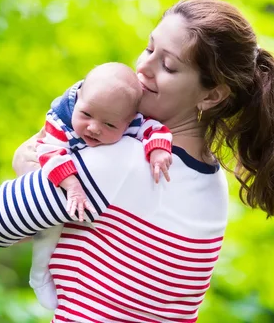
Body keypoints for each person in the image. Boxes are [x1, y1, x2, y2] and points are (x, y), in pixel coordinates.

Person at [0, 0, 274, 322]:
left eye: (168, 65)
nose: (143, 67)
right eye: (149, 48)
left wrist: (28, 171)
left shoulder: (123, 162)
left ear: (211, 95)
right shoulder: (210, 183)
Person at [31, 62, 174, 310]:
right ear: (78, 100)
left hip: (98, 214)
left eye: (110, 125)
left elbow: (155, 128)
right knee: (48, 234)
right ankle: (39, 276)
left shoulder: (133, 121)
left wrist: (158, 149)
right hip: (61, 183)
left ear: (128, 121)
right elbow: (47, 152)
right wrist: (72, 185)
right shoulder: (61, 118)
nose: (94, 128)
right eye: (86, 115)